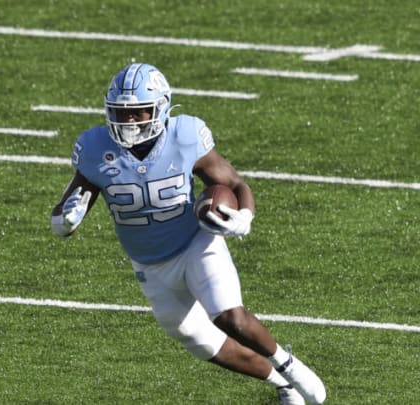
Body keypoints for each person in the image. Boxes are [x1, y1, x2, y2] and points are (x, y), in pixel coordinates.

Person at [50, 63, 326, 405]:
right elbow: (65, 210)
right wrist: (65, 221)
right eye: (122, 113)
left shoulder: (184, 136)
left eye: (139, 112)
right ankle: (282, 385)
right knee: (198, 340)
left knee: (229, 317)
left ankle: (290, 366)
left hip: (196, 243)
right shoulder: (95, 147)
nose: (130, 122)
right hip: (149, 263)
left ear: (161, 107)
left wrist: (244, 216)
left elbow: (234, 184)